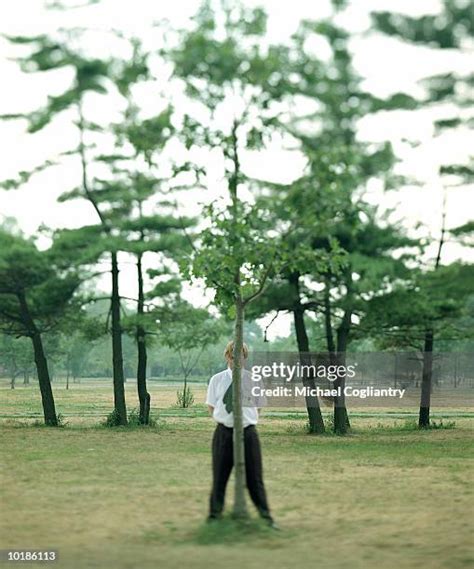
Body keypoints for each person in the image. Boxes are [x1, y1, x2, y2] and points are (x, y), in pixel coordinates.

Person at [206, 340, 277, 527]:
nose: (237, 358)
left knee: (255, 477)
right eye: (233, 354)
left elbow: (259, 406)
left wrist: (247, 420)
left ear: (245, 357)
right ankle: (214, 517)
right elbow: (211, 406)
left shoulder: (254, 379)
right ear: (227, 356)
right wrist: (226, 422)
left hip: (248, 433)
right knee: (219, 477)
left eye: (242, 355)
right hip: (223, 434)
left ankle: (266, 517)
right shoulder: (217, 380)